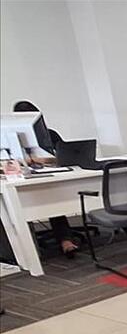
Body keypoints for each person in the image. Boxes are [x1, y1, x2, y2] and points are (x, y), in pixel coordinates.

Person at [11, 101, 78, 257]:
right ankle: (29, 248)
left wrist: (43, 160)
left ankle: (65, 241)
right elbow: (9, 162)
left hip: (53, 177)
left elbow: (65, 154)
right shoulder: (12, 138)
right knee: (47, 196)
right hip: (23, 179)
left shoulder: (49, 134)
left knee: (53, 195)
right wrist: (26, 161)